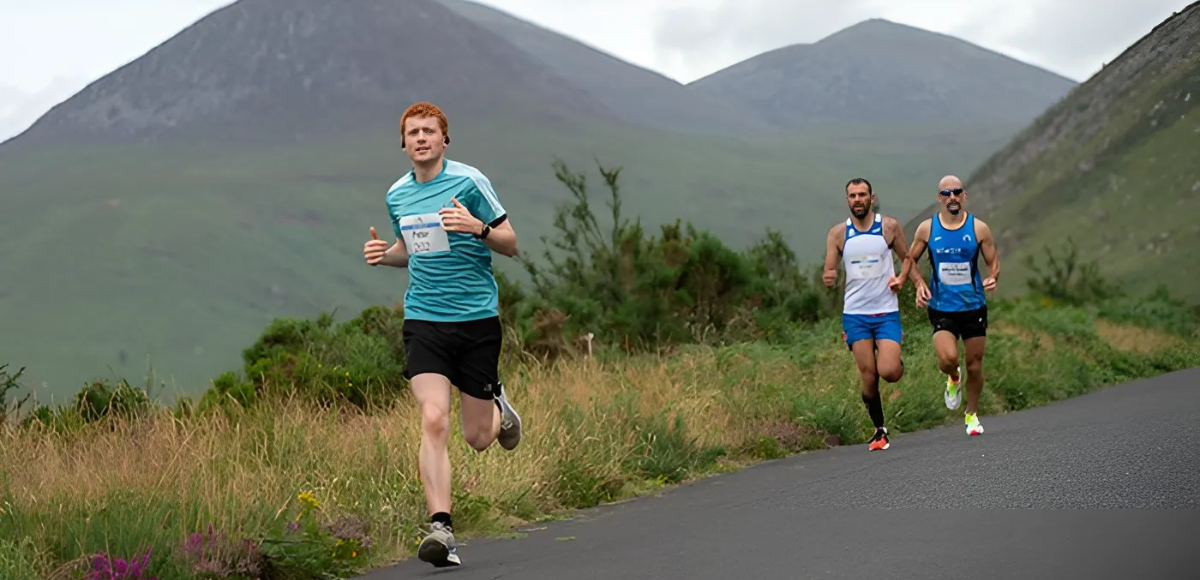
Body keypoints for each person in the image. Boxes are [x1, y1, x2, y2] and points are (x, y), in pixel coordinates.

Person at [362, 101, 523, 568]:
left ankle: (500, 410)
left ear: (444, 139)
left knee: (477, 437)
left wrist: (478, 227)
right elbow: (409, 250)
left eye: (429, 131)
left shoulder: (470, 182)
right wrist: (383, 255)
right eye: (413, 132)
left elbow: (511, 243)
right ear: (403, 143)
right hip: (424, 320)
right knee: (433, 417)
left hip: (475, 321)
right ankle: (441, 529)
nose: (421, 138)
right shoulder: (397, 195)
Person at [904, 175, 1000, 437]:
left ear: (964, 195)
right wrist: (918, 284)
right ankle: (953, 378)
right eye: (946, 194)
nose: (952, 197)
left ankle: (971, 414)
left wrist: (993, 276)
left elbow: (993, 261)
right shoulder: (927, 229)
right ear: (940, 198)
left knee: (975, 365)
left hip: (973, 306)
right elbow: (909, 259)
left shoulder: (979, 229)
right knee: (948, 359)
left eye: (957, 192)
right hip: (941, 306)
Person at [823, 178, 913, 452]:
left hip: (886, 311)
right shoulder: (838, 234)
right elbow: (829, 268)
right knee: (869, 376)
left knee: (889, 372)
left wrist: (902, 279)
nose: (857, 200)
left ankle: (896, 361)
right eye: (853, 196)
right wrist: (828, 276)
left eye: (862, 195)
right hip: (855, 314)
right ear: (847, 201)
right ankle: (879, 429)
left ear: (872, 198)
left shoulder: (889, 227)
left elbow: (908, 258)